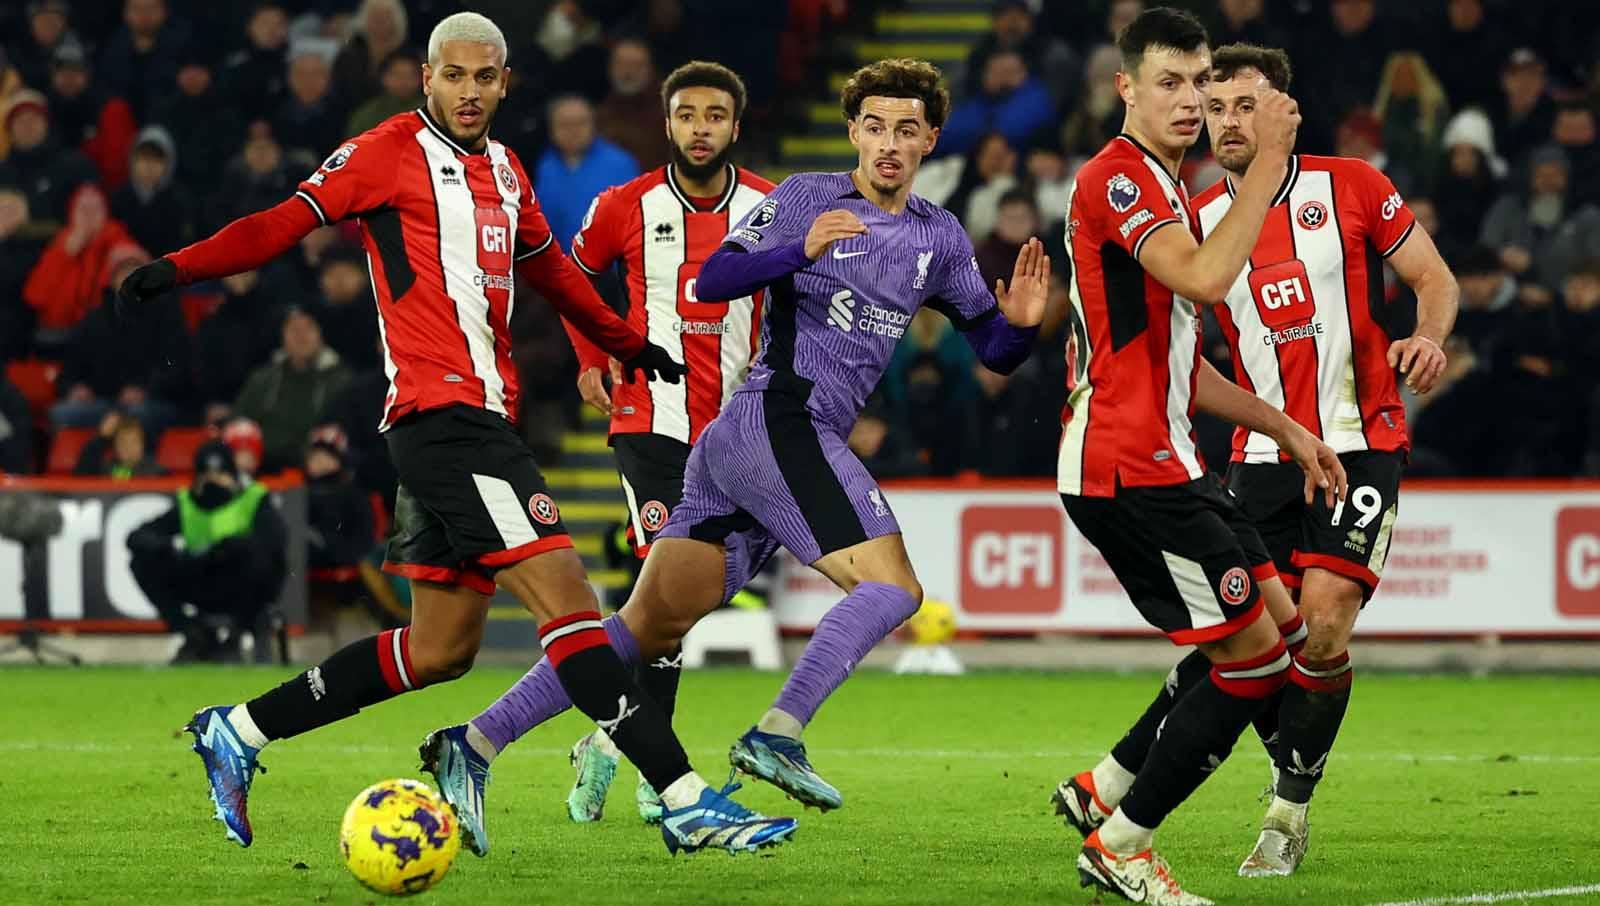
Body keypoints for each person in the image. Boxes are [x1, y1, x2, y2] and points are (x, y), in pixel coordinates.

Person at [115, 12, 792, 858]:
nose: (469, 92)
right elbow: (281, 224)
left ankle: (240, 731)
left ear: (505, 84)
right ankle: (684, 796)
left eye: (485, 78)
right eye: (454, 76)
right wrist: (176, 269)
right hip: (445, 421)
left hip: (475, 423)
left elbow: (553, 273)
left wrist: (627, 343)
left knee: (439, 651)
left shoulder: (506, 170)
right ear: (425, 78)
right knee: (572, 604)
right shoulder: (381, 154)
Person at [420, 56, 1048, 856]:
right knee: (893, 587)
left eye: (908, 130)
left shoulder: (939, 236)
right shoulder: (810, 199)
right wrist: (799, 251)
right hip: (779, 419)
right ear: (854, 130)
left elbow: (992, 350)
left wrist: (1023, 324)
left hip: (746, 443)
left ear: (930, 141)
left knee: (645, 626)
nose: (890, 143)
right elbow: (715, 277)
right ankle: (778, 735)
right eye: (876, 126)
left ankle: (471, 744)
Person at [1056, 42, 1459, 886]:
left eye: (1246, 105)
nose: (1226, 120)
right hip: (1257, 454)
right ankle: (1118, 791)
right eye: (1217, 104)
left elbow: (1433, 277)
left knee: (1318, 625)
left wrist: (1428, 333)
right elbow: (1172, 354)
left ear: (1283, 110)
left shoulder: (1351, 183)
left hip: (1360, 436)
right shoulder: (1189, 216)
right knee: (1247, 635)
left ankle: (1285, 808)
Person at [1044, 11, 1343, 904]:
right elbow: (1210, 280)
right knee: (1252, 661)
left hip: (1169, 460)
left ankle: (1109, 784)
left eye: (1203, 83)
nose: (1193, 100)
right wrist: (1271, 171)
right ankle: (1123, 842)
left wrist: (1283, 424)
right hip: (1126, 467)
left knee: (1280, 632)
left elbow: (1184, 360)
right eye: (1171, 83)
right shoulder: (1122, 181)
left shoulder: (1167, 186)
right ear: (1126, 88)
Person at [518, 60, 774, 825]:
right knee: (665, 588)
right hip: (649, 424)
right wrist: (593, 359)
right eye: (687, 114)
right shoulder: (623, 204)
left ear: (736, 124)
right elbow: (571, 280)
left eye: (715, 115)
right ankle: (663, 780)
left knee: (672, 608)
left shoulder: (769, 207)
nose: (701, 128)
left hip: (732, 436)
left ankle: (609, 741)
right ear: (667, 124)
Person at [126, 440, 286, 663]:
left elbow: (274, 543)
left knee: (261, 560)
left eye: (220, 475)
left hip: (240, 584)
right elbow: (137, 537)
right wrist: (171, 548)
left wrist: (228, 547)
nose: (213, 481)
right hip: (201, 581)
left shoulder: (254, 498)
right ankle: (193, 633)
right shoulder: (187, 503)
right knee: (142, 561)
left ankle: (237, 634)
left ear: (232, 475)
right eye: (206, 475)